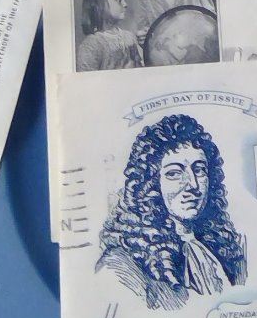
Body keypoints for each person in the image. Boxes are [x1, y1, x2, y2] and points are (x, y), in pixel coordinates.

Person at [96, 113, 247, 307]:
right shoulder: (119, 267)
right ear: (150, 184)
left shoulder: (226, 249)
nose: (193, 185)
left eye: (199, 170)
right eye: (174, 173)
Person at [76, 0, 142, 71]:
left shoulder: (128, 37)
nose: (125, 4)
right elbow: (87, 79)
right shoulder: (91, 45)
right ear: (100, 5)